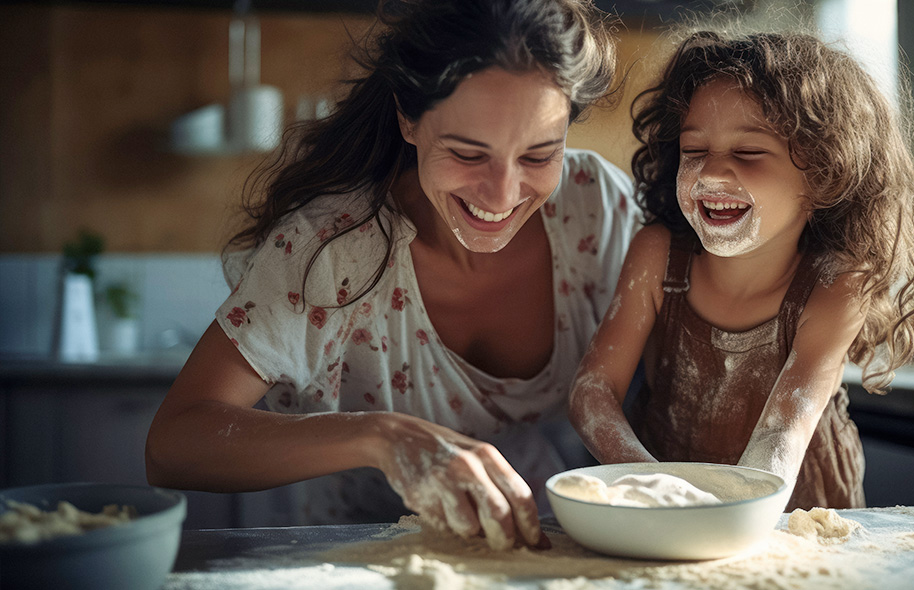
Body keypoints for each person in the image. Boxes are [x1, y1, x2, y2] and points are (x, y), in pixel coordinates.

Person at [146, 0, 640, 550]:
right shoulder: (329, 250)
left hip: (548, 546)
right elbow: (172, 444)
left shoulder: (596, 207)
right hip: (356, 558)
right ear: (408, 117)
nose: (503, 195)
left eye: (538, 155)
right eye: (468, 154)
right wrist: (384, 436)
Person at [567, 30, 914, 511]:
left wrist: (737, 517)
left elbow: (782, 431)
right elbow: (593, 392)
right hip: (662, 491)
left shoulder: (838, 282)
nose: (711, 174)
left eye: (749, 153)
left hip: (803, 505)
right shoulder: (657, 255)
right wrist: (649, 481)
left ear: (824, 177)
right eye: (695, 151)